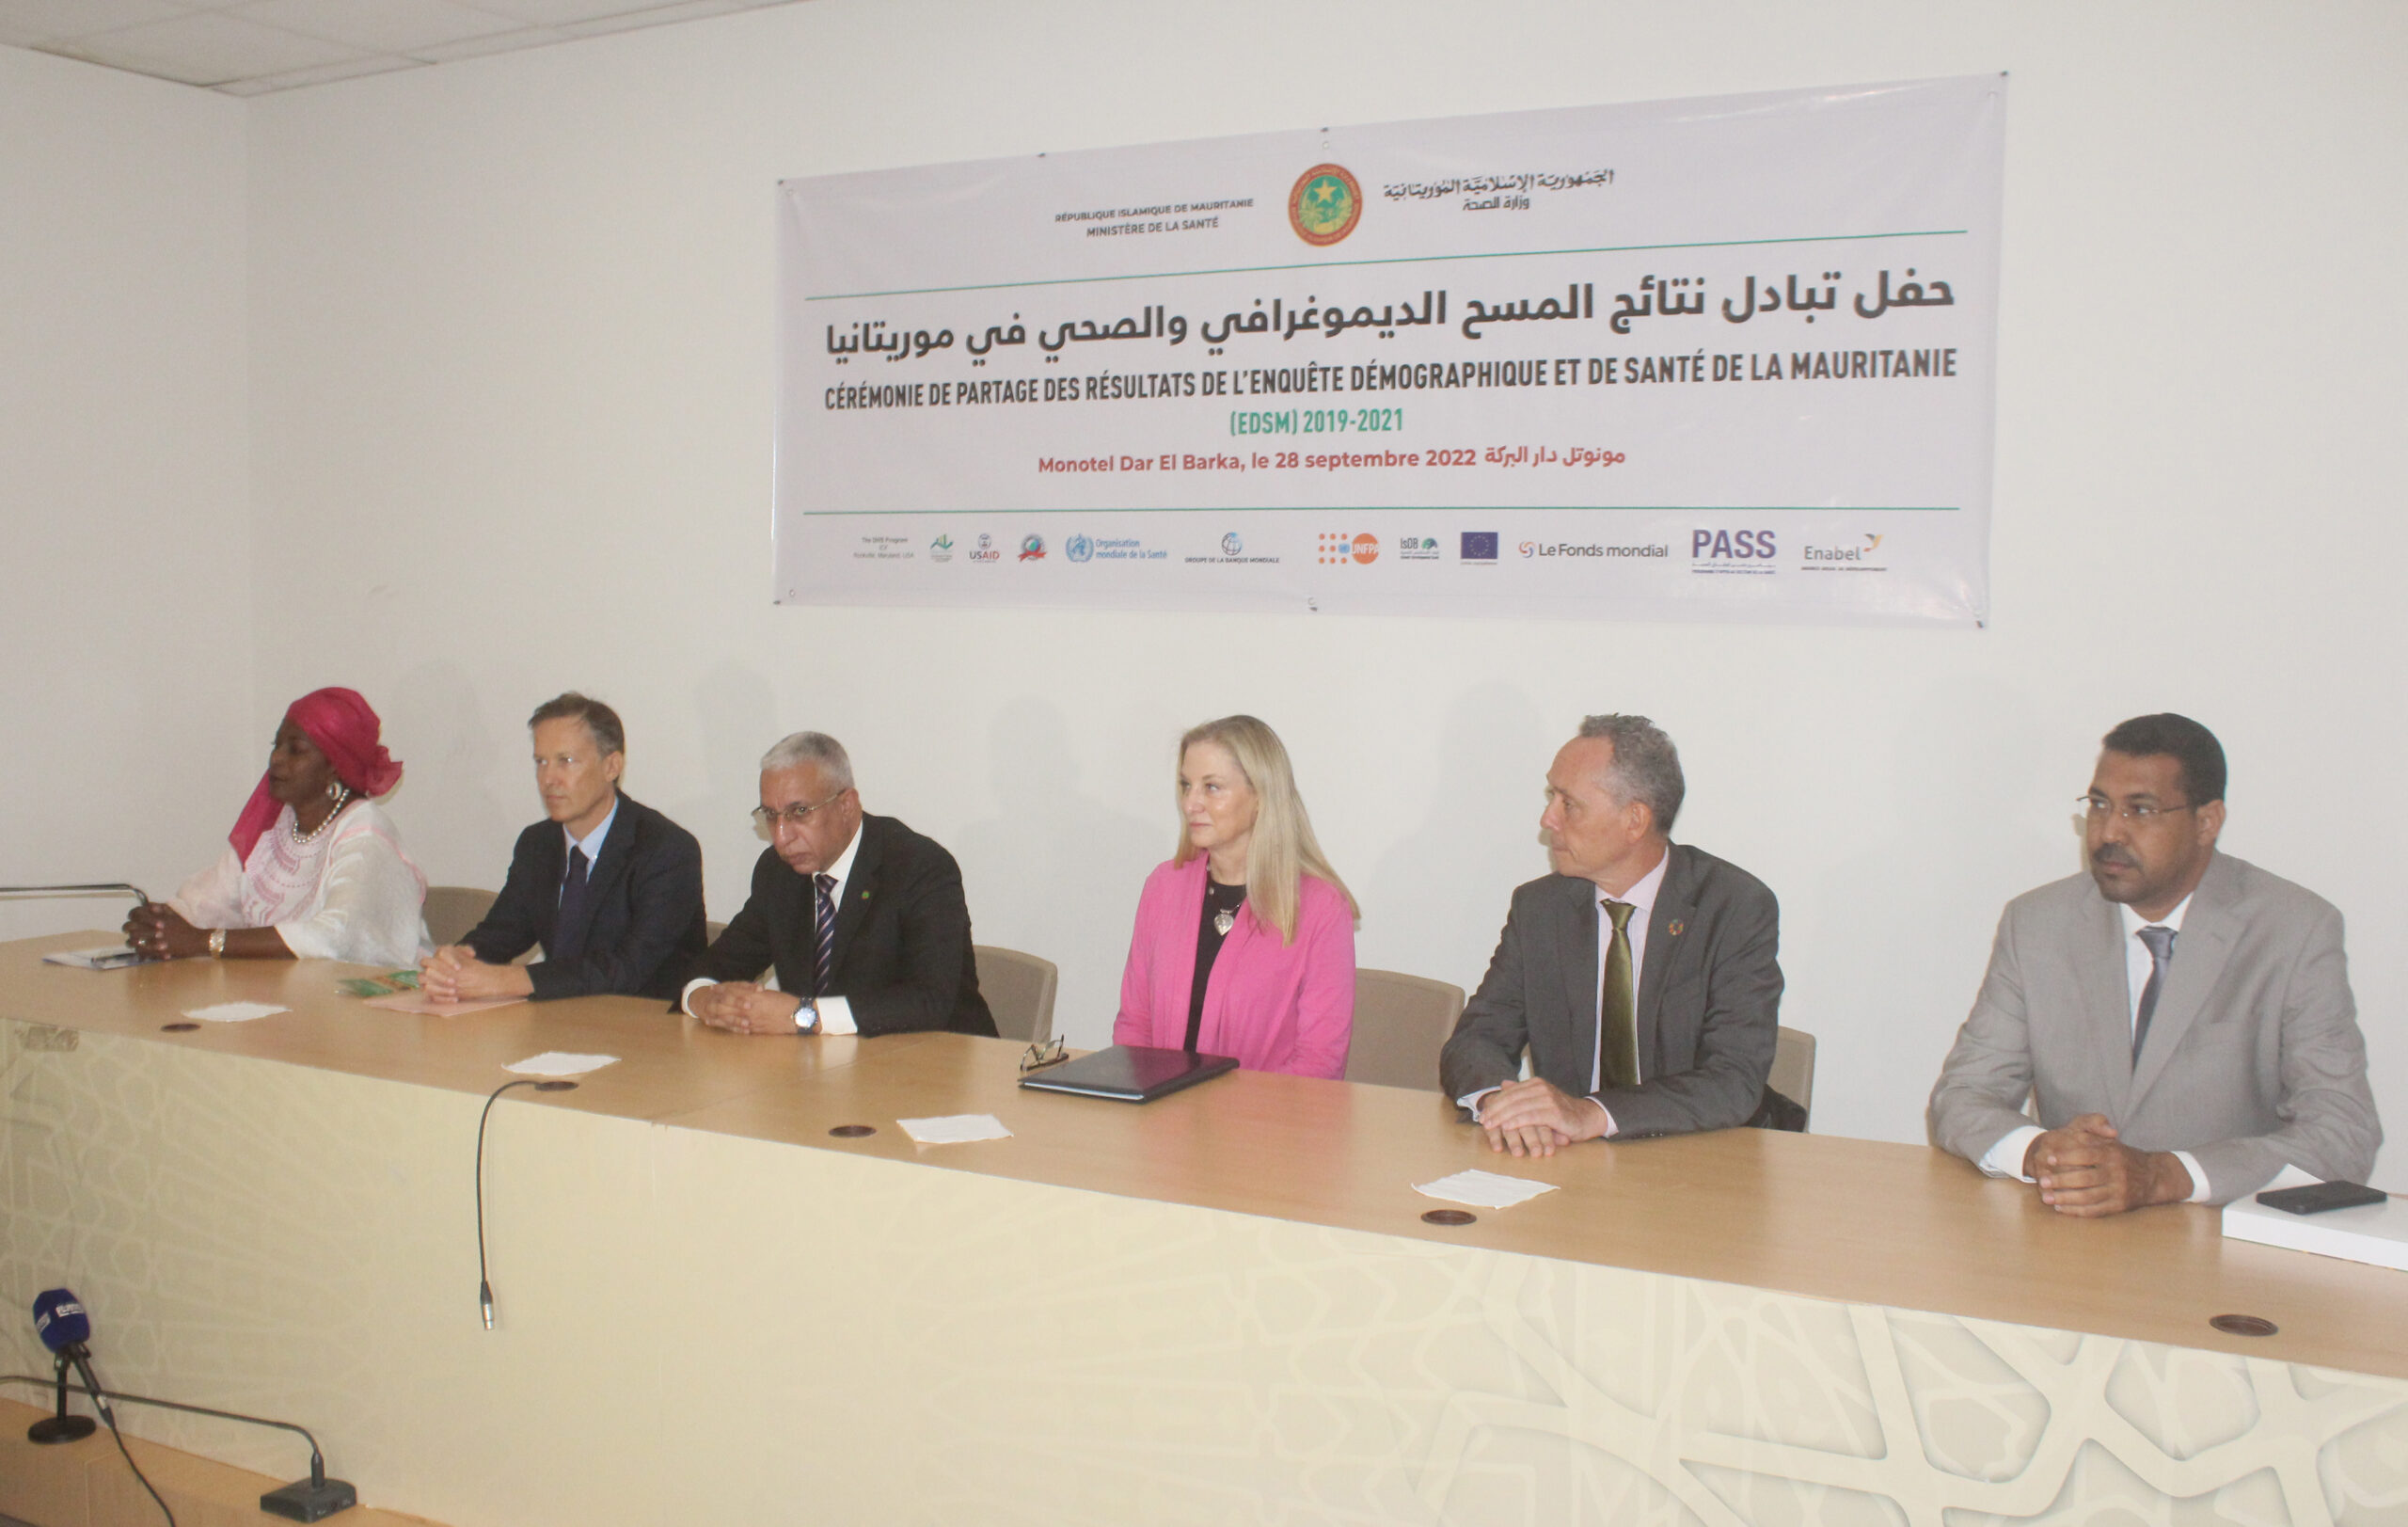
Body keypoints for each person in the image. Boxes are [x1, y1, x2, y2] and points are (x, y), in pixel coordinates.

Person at [1928, 714, 2380, 1214]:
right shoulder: (2037, 924)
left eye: (2140, 810)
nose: (2108, 831)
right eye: (2099, 805)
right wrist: (2039, 1153)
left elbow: (2344, 1132)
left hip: (2221, 1237)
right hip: (2069, 1232)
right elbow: (1965, 1094)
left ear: (2207, 822)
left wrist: (2165, 1175)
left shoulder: (2293, 930)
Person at [1439, 715, 1783, 1155]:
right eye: (1551, 797)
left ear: (1634, 820)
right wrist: (1501, 1103)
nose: (1548, 819)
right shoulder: (1540, 908)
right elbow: (1477, 1039)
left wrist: (1592, 1114)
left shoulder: (1733, 907)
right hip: (1571, 1162)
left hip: (1698, 1158)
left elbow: (1733, 1079)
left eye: (1569, 804)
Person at [681, 731, 993, 1036]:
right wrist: (704, 999)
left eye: (799, 812)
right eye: (771, 815)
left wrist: (804, 1016)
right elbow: (718, 963)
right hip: (827, 1062)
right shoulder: (777, 872)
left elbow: (929, 1001)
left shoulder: (919, 867)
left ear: (846, 805)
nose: (781, 837)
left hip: (938, 1057)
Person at [1112, 715, 1358, 1077]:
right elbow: (1134, 1024)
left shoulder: (1320, 909)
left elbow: (1319, 1061)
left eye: (1212, 787)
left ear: (1260, 796)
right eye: (1186, 785)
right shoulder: (1164, 886)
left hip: (1268, 1113)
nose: (1190, 803)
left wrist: (1232, 1112)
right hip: (1161, 1109)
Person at [420, 693, 705, 1003]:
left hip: (644, 1021)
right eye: (541, 762)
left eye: (565, 761)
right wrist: (461, 959)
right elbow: (504, 931)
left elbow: (629, 968)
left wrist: (514, 979)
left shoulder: (666, 849)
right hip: (557, 1018)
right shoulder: (537, 843)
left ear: (611, 766)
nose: (548, 779)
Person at [125, 688, 427, 967]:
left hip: (367, 1000)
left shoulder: (365, 833)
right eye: (276, 745)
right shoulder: (276, 826)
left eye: (296, 750)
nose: (276, 758)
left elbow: (337, 936)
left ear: (335, 766)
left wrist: (204, 942)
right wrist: (161, 923)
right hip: (284, 995)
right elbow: (210, 904)